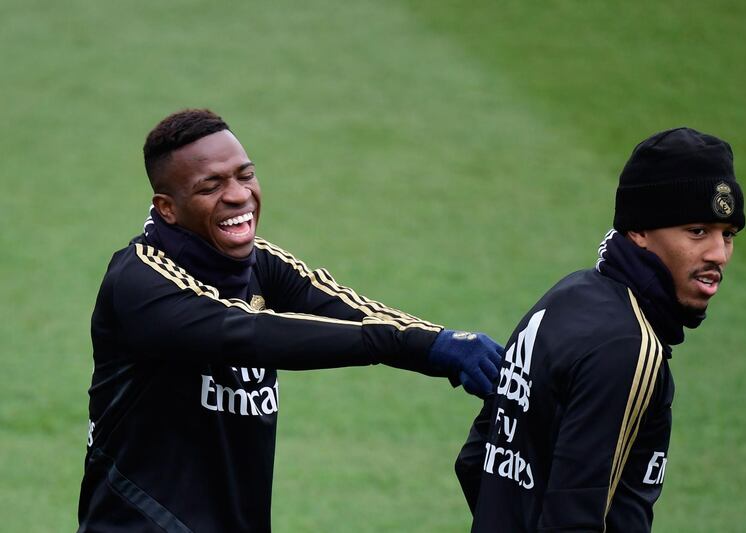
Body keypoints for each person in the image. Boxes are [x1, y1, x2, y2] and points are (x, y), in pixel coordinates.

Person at [77, 108, 503, 533]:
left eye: (245, 175)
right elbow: (247, 333)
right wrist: (412, 344)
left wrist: (445, 344)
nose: (239, 195)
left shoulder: (260, 263)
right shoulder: (139, 282)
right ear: (167, 208)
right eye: (212, 185)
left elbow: (352, 309)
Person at [455, 127, 745, 532]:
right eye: (697, 231)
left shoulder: (566, 297)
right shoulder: (630, 347)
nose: (719, 254)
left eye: (728, 235)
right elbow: (573, 522)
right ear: (640, 231)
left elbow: (476, 460)